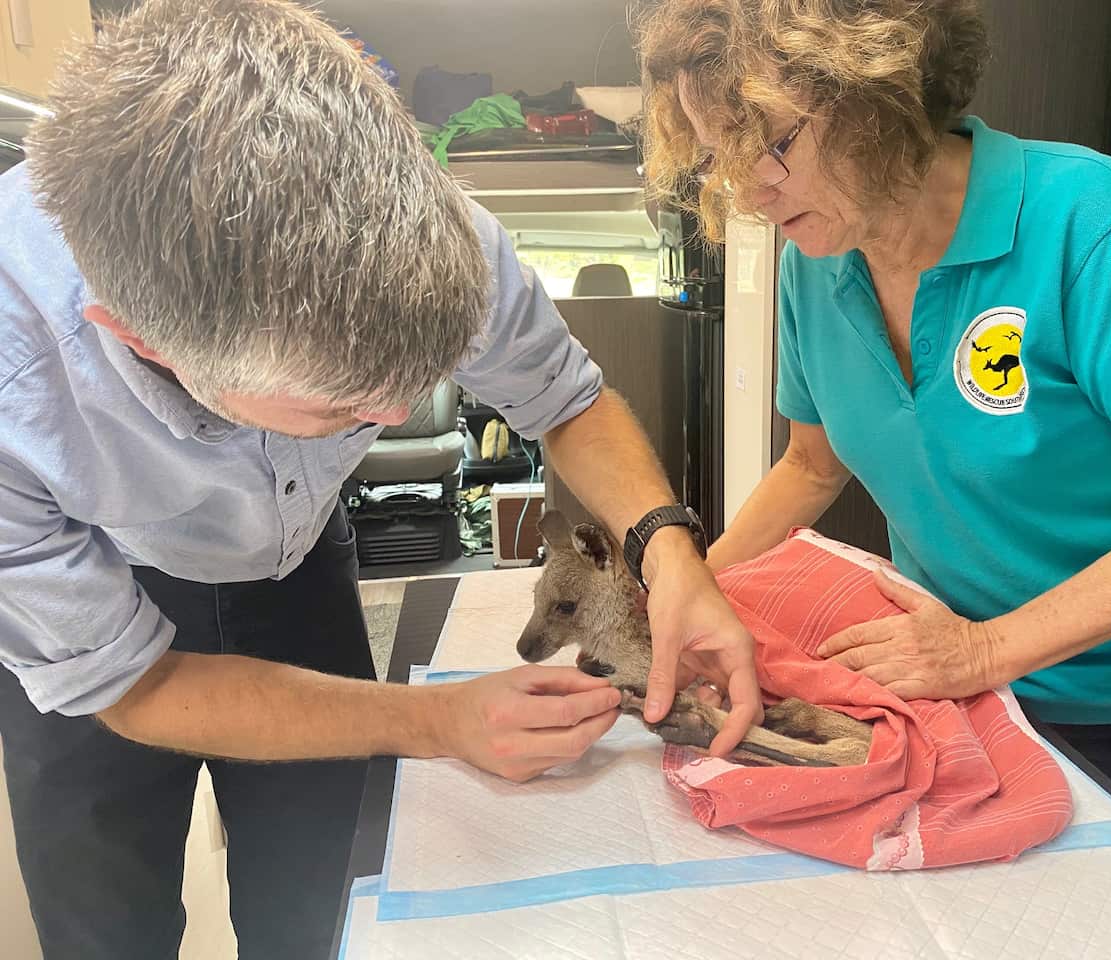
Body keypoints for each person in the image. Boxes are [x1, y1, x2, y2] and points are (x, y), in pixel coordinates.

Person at [0, 1, 761, 957]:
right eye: (344, 409)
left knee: (329, 895)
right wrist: (436, 718)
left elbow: (564, 401)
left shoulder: (443, 233)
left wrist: (671, 553)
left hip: (299, 556)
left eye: (416, 383)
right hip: (89, 593)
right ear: (143, 339)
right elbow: (132, 684)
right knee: (104, 922)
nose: (396, 423)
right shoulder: (14, 381)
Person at [637, 0, 1111, 871]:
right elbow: (809, 463)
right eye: (721, 157)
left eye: (771, 143)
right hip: (963, 700)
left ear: (877, 91)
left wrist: (984, 648)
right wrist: (687, 601)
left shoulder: (1090, 224)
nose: (748, 189)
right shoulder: (817, 268)